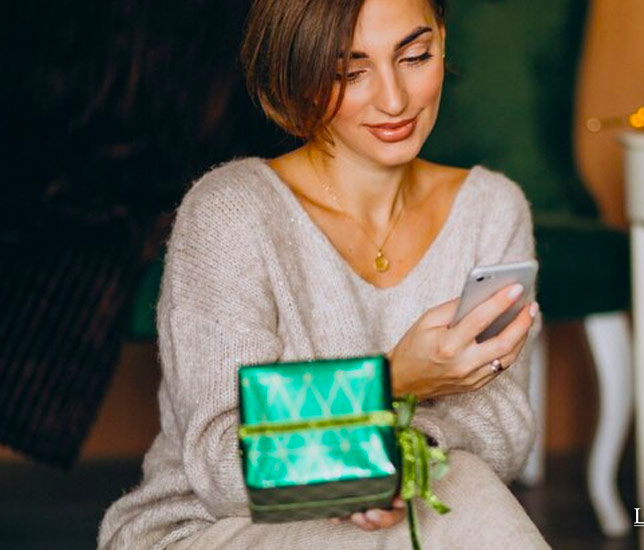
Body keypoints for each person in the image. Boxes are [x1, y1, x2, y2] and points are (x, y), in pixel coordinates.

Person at [97, 0, 551, 548]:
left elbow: (506, 429)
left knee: (466, 486)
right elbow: (221, 470)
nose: (393, 99)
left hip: (409, 514)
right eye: (349, 73)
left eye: (414, 56)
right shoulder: (231, 213)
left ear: (443, 40)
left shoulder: (492, 208)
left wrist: (390, 468)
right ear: (299, 77)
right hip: (218, 526)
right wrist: (394, 381)